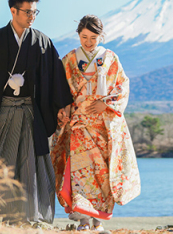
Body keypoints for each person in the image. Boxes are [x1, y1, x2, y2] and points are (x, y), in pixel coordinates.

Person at [0, 0, 73, 225]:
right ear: (13, 11)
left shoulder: (42, 42)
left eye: (35, 12)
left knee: (31, 161)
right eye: (27, 12)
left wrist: (62, 106)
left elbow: (55, 77)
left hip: (31, 111)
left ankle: (29, 214)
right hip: (2, 110)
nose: (32, 16)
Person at [51, 15, 141, 231]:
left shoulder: (110, 58)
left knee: (102, 173)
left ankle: (98, 221)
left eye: (93, 37)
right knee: (79, 173)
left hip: (102, 125)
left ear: (101, 36)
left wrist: (106, 104)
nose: (88, 42)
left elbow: (122, 85)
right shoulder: (69, 59)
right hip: (78, 124)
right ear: (78, 35)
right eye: (84, 37)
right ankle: (83, 220)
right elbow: (59, 89)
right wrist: (64, 109)